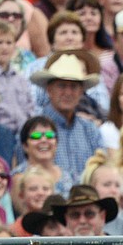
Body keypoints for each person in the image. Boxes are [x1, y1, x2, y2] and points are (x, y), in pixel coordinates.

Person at [29, 50, 103, 181]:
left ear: (81, 92)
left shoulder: (90, 130)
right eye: (62, 86)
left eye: (73, 87)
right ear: (49, 90)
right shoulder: (32, 128)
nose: (68, 92)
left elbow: (101, 171)